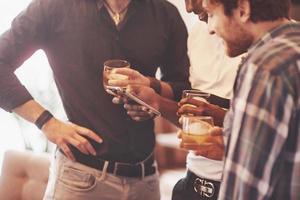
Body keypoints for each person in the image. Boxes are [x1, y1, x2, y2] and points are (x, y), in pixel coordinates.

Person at [0, 0, 190, 199]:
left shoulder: (165, 13)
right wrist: (46, 122)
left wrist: (153, 90)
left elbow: (181, 90)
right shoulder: (53, 6)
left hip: (146, 182)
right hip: (79, 181)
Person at [108, 1, 241, 199]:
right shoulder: (197, 35)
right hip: (195, 180)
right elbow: (193, 114)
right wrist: (156, 101)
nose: (188, 8)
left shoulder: (281, 48)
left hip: (241, 184)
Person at [198, 0, 299, 199]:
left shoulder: (264, 69)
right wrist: (234, 148)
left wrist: (241, 160)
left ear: (243, 9)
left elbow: (244, 192)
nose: (210, 29)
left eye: (211, 14)